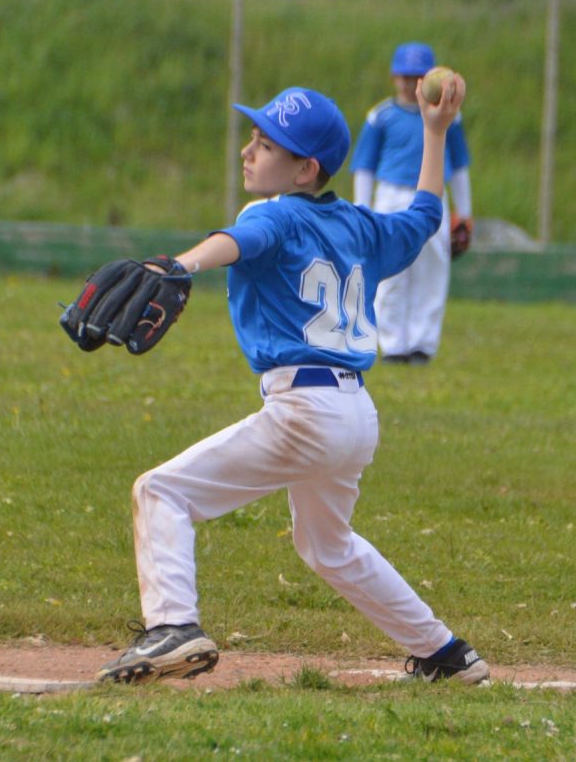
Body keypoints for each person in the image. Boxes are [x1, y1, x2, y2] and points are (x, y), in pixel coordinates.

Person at [96, 77, 490, 685]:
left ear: (305, 169)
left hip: (304, 410)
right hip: (356, 414)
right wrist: (434, 134)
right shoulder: (362, 228)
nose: (249, 152)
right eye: (253, 138)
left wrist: (180, 264)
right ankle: (445, 653)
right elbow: (425, 213)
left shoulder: (272, 215)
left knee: (161, 493)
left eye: (266, 144)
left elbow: (241, 239)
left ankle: (171, 626)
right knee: (328, 546)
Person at [350, 42, 474, 365]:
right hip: (390, 195)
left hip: (432, 197)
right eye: (405, 76)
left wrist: (465, 211)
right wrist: (361, 208)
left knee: (431, 268)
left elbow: (459, 166)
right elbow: (364, 165)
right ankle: (392, 344)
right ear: (394, 77)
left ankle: (422, 344)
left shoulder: (450, 118)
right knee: (391, 269)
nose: (410, 83)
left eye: (418, 76)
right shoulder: (381, 116)